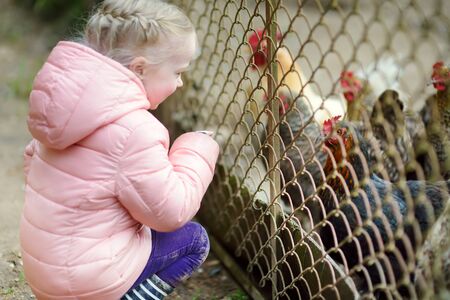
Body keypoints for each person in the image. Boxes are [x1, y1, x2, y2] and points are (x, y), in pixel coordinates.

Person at [20, 0, 219, 299]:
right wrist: (198, 148)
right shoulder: (136, 130)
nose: (179, 83)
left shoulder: (64, 110)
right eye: (177, 72)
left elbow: (32, 165)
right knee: (192, 240)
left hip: (46, 275)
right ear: (139, 68)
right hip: (88, 284)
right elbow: (170, 212)